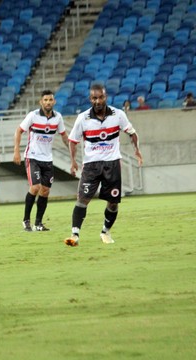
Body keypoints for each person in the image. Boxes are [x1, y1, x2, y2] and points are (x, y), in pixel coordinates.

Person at [64, 84, 143, 247]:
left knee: (113, 203)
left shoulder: (118, 115)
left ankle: (105, 231)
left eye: (101, 97)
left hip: (112, 164)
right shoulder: (83, 118)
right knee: (82, 200)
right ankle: (75, 235)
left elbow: (132, 133)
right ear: (90, 99)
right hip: (90, 166)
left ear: (105, 97)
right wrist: (73, 161)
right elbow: (72, 141)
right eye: (94, 98)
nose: (98, 101)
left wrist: (137, 151)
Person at [13, 90, 68, 231]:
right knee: (35, 187)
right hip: (33, 157)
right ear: (41, 102)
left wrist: (72, 148)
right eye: (46, 100)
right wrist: (16, 151)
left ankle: (38, 223)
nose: (48, 102)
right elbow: (19, 131)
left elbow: (63, 135)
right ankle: (26, 220)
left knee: (45, 191)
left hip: (48, 159)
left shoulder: (58, 118)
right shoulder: (33, 116)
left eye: (50, 100)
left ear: (54, 102)